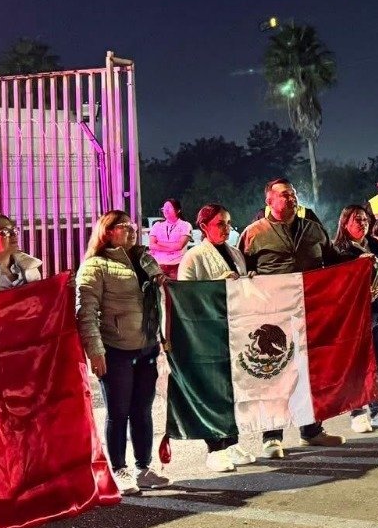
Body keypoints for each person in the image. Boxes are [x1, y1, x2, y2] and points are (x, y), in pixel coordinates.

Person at [237, 178, 342, 448]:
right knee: (275, 375)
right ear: (269, 201)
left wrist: (359, 262)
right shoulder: (254, 233)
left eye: (293, 194)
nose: (291, 198)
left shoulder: (313, 229)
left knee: (309, 372)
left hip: (310, 313)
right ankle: (272, 437)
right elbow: (239, 274)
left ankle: (312, 430)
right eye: (284, 195)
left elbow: (334, 261)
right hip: (272, 318)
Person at [76, 210, 169, 495]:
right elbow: (86, 311)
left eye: (132, 225)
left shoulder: (144, 260)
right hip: (115, 349)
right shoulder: (95, 265)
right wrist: (95, 351)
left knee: (143, 410)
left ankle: (143, 467)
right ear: (107, 231)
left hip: (147, 347)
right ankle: (119, 469)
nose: (131, 230)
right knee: (118, 412)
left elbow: (160, 300)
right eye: (124, 226)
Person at [176, 204, 258, 472]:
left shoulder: (236, 253)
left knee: (234, 390)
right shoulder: (193, 257)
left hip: (234, 330)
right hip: (206, 333)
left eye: (228, 223)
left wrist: (249, 281)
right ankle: (214, 448)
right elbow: (184, 297)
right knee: (212, 391)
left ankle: (232, 442)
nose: (226, 228)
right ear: (203, 227)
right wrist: (217, 284)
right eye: (220, 223)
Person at [329, 205, 378, 433]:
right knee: (356, 366)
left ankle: (377, 409)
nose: (362, 224)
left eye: (365, 219)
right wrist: (357, 267)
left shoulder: (375, 244)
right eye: (357, 220)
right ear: (345, 223)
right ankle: (357, 412)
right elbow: (337, 285)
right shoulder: (338, 251)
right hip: (355, 318)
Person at [147, 199, 191, 280]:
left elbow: (179, 246)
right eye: (164, 208)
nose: (165, 210)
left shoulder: (185, 225)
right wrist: (172, 246)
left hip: (177, 265)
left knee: (175, 287)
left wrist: (159, 243)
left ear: (178, 210)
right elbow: (152, 245)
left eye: (169, 207)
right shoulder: (157, 225)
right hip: (159, 266)